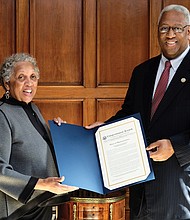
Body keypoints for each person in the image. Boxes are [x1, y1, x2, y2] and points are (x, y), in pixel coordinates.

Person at [86, 4, 190, 220]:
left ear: (188, 32)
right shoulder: (143, 71)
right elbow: (129, 114)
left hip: (177, 189)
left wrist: (175, 147)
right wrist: (104, 128)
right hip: (139, 189)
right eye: (164, 29)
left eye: (177, 28)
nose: (170, 34)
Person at [0, 53, 78, 219]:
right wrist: (42, 184)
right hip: (20, 210)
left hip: (42, 200)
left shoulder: (32, 108)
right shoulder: (2, 114)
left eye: (33, 77)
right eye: (21, 77)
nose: (29, 83)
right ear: (7, 83)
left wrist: (57, 133)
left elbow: (36, 147)